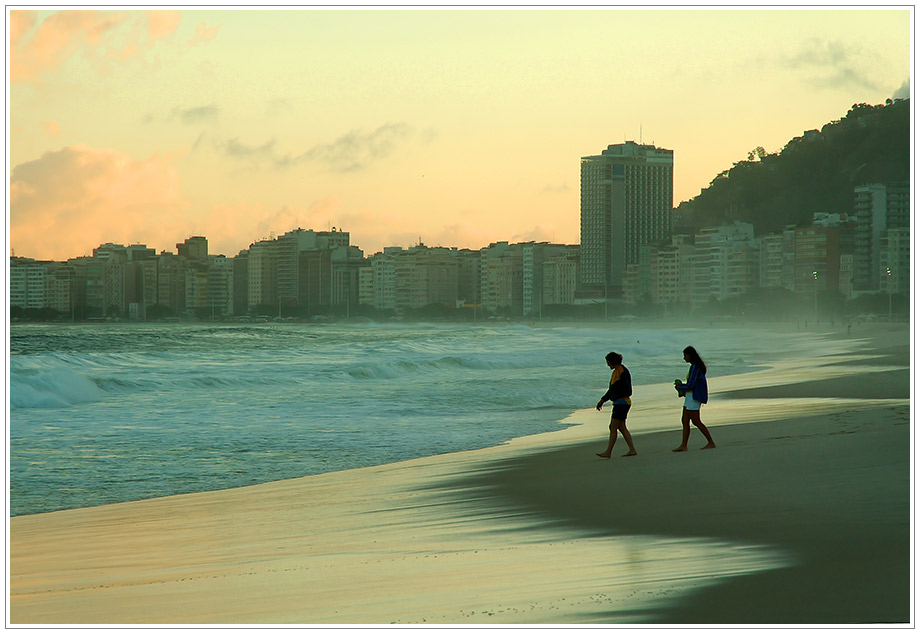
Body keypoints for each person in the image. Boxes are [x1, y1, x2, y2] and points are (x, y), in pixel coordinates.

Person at [672, 345, 716, 451]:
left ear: (690, 355)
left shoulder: (695, 367)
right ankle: (684, 445)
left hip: (694, 397)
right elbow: (692, 384)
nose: (684, 358)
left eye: (685, 355)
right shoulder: (695, 367)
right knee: (685, 419)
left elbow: (691, 385)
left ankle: (711, 442)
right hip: (690, 396)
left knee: (696, 421)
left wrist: (680, 387)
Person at [595, 351, 637, 458]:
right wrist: (602, 400)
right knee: (621, 427)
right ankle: (632, 450)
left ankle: (608, 452)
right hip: (619, 403)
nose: (607, 364)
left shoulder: (622, 371)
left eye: (608, 362)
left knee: (613, 427)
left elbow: (628, 390)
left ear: (612, 361)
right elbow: (611, 390)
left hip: (622, 403)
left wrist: (614, 396)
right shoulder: (616, 372)